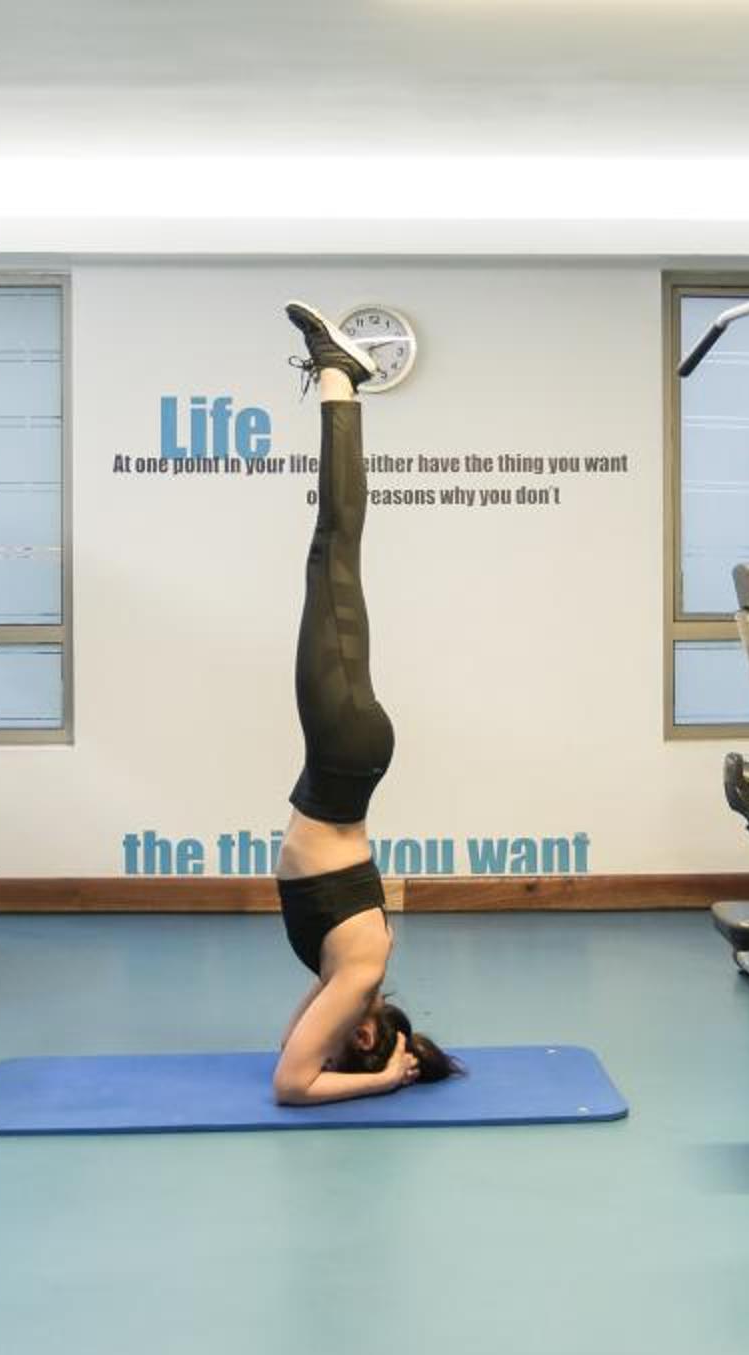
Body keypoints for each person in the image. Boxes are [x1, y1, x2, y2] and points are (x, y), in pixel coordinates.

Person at [269, 301, 459, 1106]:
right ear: (376, 1029)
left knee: (333, 556)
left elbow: (290, 1054)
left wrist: (378, 1060)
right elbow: (291, 1086)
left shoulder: (346, 979)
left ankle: (339, 380)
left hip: (343, 765)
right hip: (342, 757)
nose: (352, 1038)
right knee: (333, 551)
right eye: (370, 1041)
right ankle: (339, 377)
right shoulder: (361, 972)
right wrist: (385, 1077)